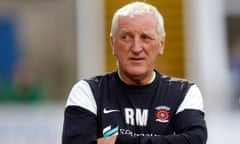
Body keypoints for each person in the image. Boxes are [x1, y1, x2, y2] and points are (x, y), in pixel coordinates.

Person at [62, 2, 207, 144]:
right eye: (126, 37)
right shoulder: (87, 92)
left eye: (145, 37)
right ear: (113, 44)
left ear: (161, 45)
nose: (136, 48)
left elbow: (195, 140)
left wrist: (118, 141)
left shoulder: (184, 93)